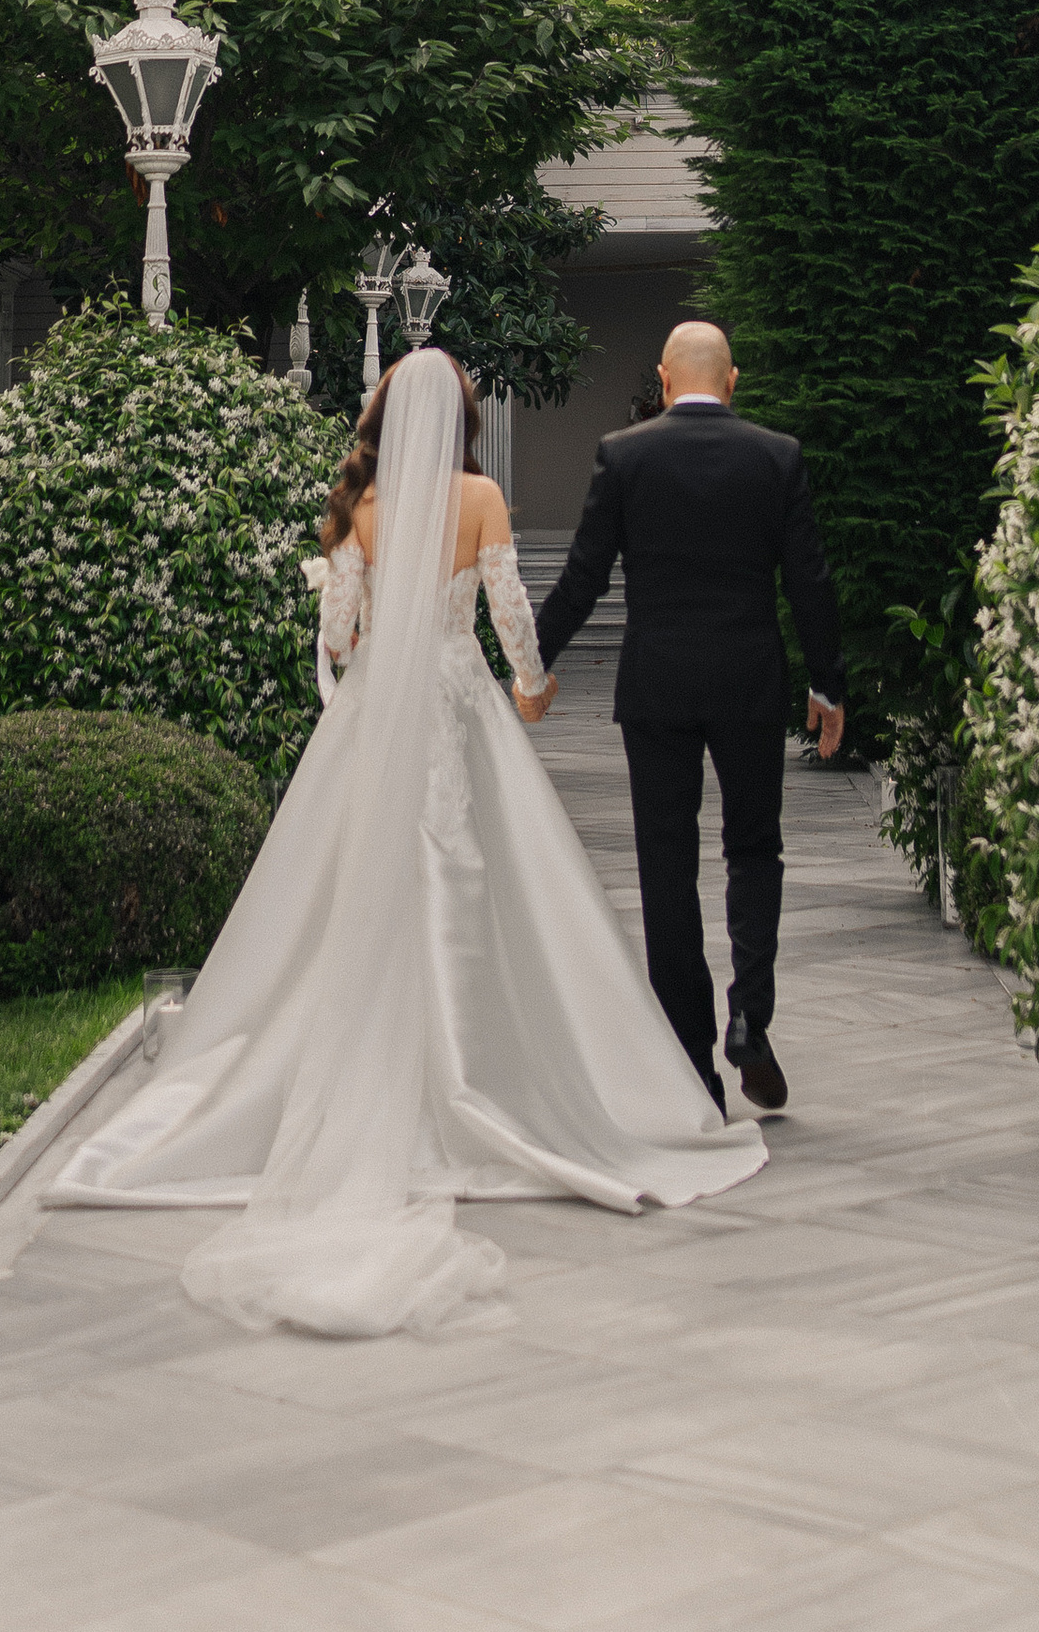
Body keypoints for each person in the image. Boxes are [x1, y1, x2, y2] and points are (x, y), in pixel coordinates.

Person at [45, 343, 763, 1336]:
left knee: (342, 896)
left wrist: (351, 662)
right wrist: (530, 687)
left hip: (375, 719)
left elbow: (336, 640)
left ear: (381, 416)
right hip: (459, 708)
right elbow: (511, 615)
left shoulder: (355, 510)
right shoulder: (479, 498)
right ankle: (494, 1077)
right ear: (463, 417)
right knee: (490, 894)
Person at [527, 320, 846, 1117]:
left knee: (666, 871)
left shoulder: (624, 456)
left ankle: (695, 1066)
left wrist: (529, 664)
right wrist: (829, 688)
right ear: (731, 379)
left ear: (664, 381)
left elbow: (582, 579)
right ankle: (750, 1015)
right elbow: (809, 583)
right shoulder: (777, 457)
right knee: (754, 848)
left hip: (659, 686)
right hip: (749, 681)